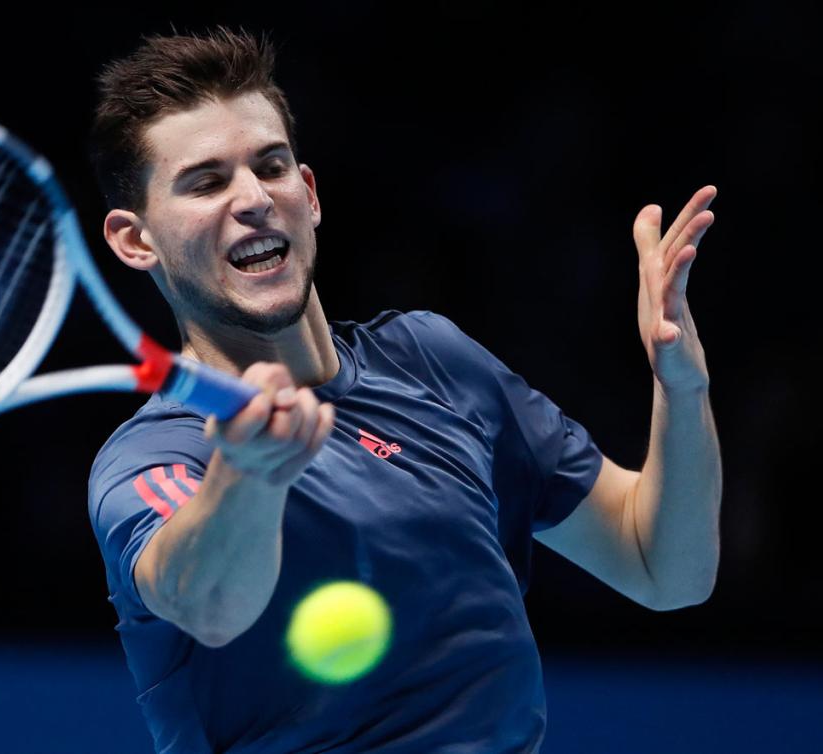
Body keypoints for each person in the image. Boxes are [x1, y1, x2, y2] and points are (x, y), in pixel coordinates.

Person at [86, 26, 722, 753]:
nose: (254, 198)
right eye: (206, 182)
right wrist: (245, 473)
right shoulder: (153, 459)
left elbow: (661, 567)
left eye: (271, 166)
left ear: (310, 194)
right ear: (136, 240)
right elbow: (205, 603)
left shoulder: (432, 363)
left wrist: (683, 385)